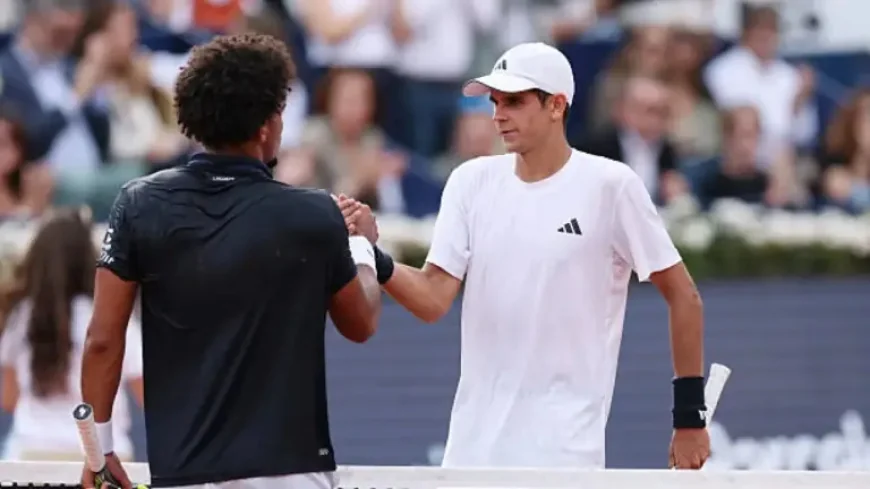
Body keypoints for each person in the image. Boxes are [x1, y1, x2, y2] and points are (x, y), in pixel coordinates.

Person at [341, 42, 710, 470]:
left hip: (564, 452)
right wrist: (373, 255)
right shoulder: (469, 182)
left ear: (556, 106)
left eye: (514, 101)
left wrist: (689, 418)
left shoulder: (612, 185)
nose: (498, 114)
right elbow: (433, 297)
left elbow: (684, 296)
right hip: (471, 449)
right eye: (495, 102)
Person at [79, 33, 383, 489]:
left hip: (185, 474)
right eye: (279, 112)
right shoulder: (314, 213)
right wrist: (362, 247)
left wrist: (97, 450)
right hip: (293, 475)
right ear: (264, 126)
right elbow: (361, 323)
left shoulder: (139, 204)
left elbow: (102, 340)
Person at [0, 208, 143, 462]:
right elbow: (146, 395)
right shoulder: (112, 315)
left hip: (31, 457)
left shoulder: (21, 316)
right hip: (102, 459)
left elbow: (9, 399)